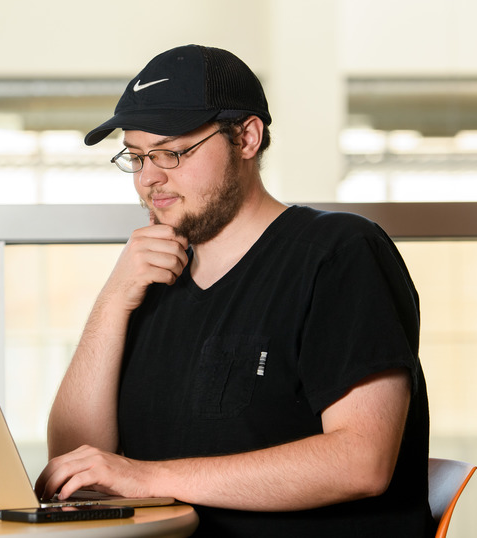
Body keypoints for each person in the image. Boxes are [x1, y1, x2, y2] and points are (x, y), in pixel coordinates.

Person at [35, 44, 434, 537]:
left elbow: (361, 461)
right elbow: (73, 465)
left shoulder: (339, 253)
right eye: (136, 157)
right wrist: (111, 301)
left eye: (172, 152)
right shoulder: (149, 281)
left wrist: (146, 478)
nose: (149, 179)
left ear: (246, 138)